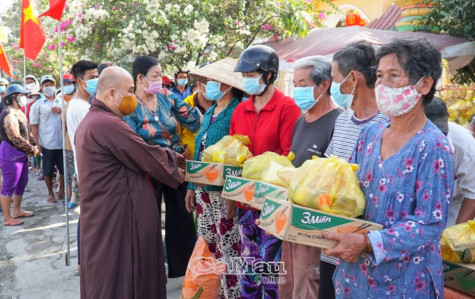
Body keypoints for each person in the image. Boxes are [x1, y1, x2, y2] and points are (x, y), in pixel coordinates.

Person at [324, 38, 454, 298]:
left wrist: (368, 242)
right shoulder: (371, 133)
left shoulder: (433, 146)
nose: (382, 85)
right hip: (354, 277)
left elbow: (429, 222)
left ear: (425, 84)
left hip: (404, 282)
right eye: (380, 76)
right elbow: (349, 190)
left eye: (394, 75)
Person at [75, 66, 184, 299]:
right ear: (112, 94)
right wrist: (183, 164)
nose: (134, 97)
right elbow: (147, 156)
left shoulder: (92, 120)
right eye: (131, 91)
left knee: (107, 275)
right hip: (119, 215)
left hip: (104, 212)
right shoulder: (108, 124)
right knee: (125, 275)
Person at [319, 41, 391, 298]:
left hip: (362, 245)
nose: (332, 85)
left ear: (353, 78)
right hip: (330, 242)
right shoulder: (343, 120)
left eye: (334, 78)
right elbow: (326, 172)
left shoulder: (387, 126)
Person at [231, 45, 301, 298]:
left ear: (270, 75)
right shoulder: (241, 109)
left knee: (272, 266)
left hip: (274, 203)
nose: (247, 81)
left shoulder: (287, 108)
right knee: (248, 263)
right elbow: (233, 153)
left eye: (252, 75)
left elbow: (288, 156)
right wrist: (233, 194)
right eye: (245, 76)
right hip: (245, 200)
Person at [124, 56, 200, 278]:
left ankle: (185, 271)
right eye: (155, 76)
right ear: (140, 78)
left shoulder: (167, 97)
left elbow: (193, 120)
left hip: (176, 166)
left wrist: (202, 99)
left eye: (160, 75)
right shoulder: (130, 105)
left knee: (183, 219)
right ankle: (151, 273)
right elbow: (132, 142)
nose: (159, 80)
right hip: (148, 169)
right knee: (148, 222)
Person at [279, 56, 342, 298]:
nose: (297, 91)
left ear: (324, 85)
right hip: (291, 217)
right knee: (289, 281)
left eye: (302, 84)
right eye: (295, 84)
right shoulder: (300, 120)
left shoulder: (338, 120)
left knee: (308, 284)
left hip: (315, 224)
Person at [185, 57, 244, 299]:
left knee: (230, 249)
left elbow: (241, 154)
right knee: (210, 247)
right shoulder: (210, 111)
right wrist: (191, 186)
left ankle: (233, 294)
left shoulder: (237, 111)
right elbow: (200, 153)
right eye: (204, 81)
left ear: (226, 84)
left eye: (211, 81)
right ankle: (214, 293)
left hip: (223, 193)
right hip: (204, 193)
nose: (205, 85)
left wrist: (234, 193)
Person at [425, 97, 475, 226]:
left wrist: (454, 236)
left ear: (448, 116)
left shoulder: (466, 144)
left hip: (452, 212)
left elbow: (472, 194)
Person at [0, 84, 38, 226]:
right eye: (21, 95)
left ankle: (16, 210)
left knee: (21, 183)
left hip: (21, 152)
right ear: (13, 97)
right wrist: (31, 149)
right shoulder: (8, 114)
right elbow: (15, 137)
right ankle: (7, 218)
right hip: (11, 152)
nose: (24, 98)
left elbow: (27, 132)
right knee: (9, 184)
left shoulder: (19, 112)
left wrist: (33, 145)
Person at [30, 75, 64, 203]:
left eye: (51, 84)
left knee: (63, 168)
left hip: (61, 142)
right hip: (47, 143)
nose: (48, 87)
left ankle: (61, 190)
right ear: (42, 87)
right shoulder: (37, 105)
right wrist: (37, 143)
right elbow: (34, 125)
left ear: (55, 86)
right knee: (48, 170)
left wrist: (61, 111)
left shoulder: (62, 102)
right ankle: (50, 193)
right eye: (46, 85)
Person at [179, 63, 213, 159]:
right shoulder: (184, 106)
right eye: (209, 84)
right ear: (199, 83)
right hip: (189, 164)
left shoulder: (222, 107)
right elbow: (175, 135)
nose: (214, 87)